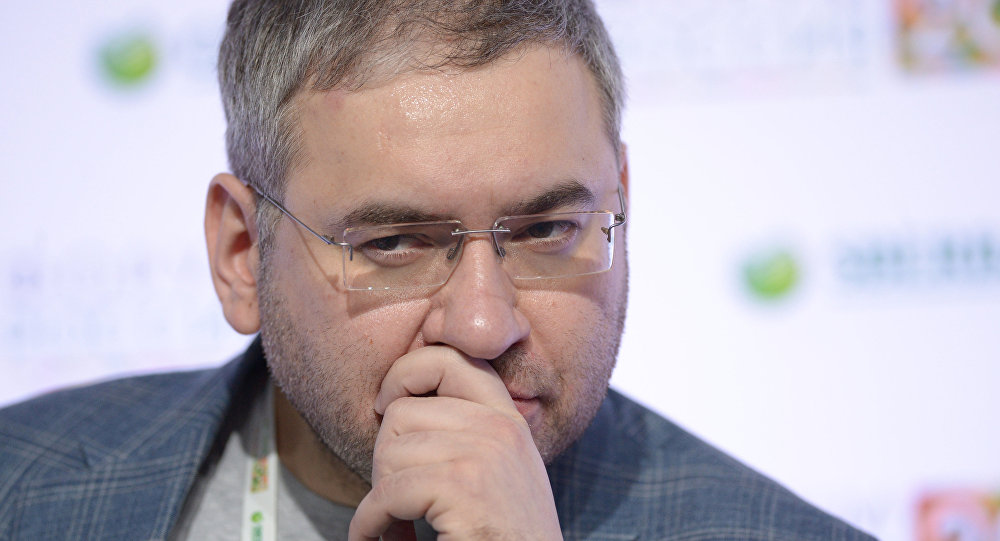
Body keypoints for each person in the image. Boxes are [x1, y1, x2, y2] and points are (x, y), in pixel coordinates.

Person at [0, 1, 875, 540]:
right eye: (394, 243)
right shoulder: (22, 488)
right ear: (241, 253)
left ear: (621, 202)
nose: (484, 324)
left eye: (547, 228)